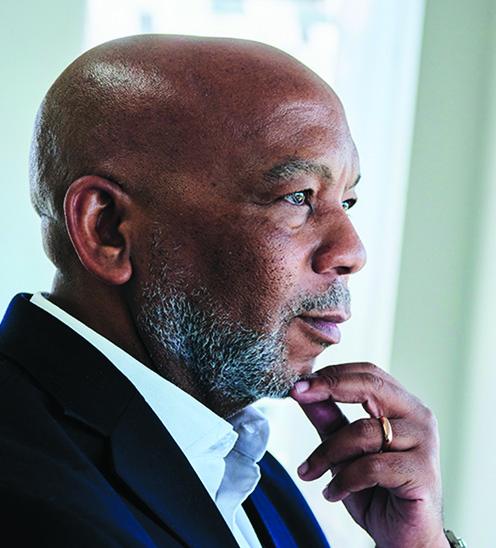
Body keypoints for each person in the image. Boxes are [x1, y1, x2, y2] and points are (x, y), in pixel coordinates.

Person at [0, 34, 455, 548]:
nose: (352, 252)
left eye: (346, 202)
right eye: (297, 197)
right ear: (107, 229)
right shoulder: (24, 488)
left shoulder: (237, 463)